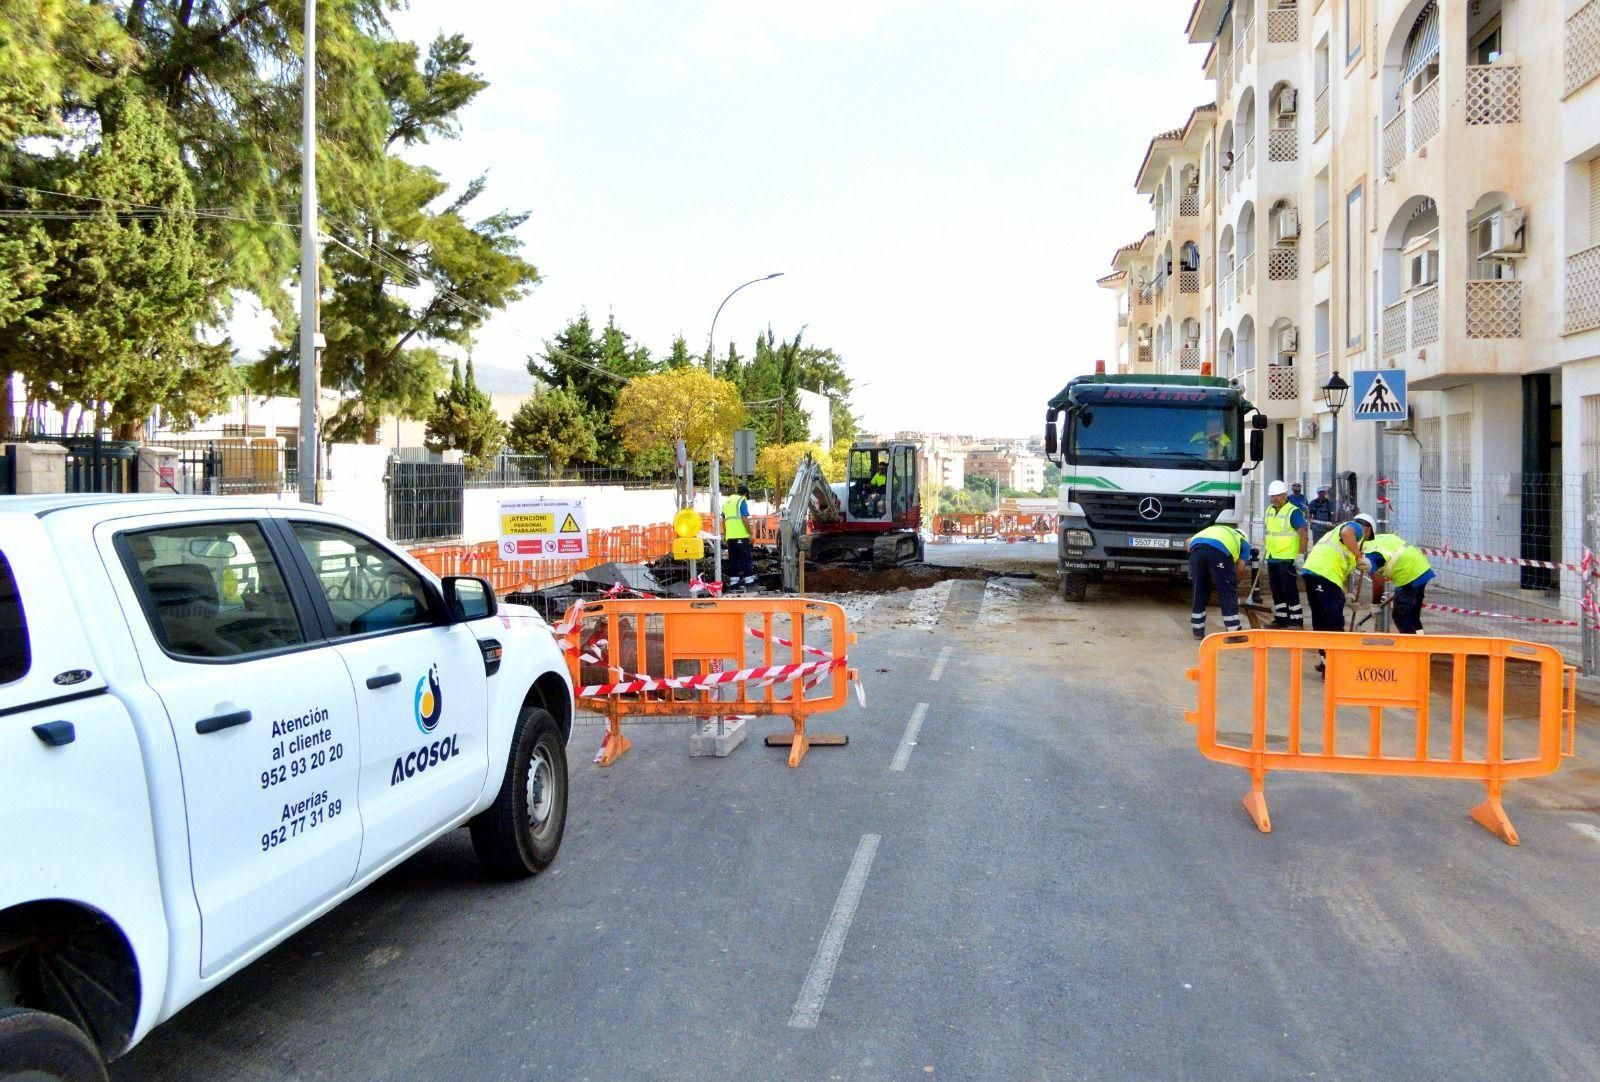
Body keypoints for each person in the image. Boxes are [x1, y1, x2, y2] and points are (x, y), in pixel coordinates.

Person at [1300, 513, 1376, 632]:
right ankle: (1333, 648)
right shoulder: (1357, 527)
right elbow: (1346, 532)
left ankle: (1323, 648)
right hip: (1323, 573)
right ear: (1369, 530)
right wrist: (1359, 555)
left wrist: (1346, 594)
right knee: (1332, 616)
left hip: (1312, 572)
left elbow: (1336, 577)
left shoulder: (1337, 537)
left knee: (1320, 613)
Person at [1187, 523, 1253, 639]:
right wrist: (1233, 583)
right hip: (1218, 552)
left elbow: (1188, 541)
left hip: (1196, 549)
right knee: (1227, 592)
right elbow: (1241, 569)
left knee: (1200, 590)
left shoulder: (1219, 530)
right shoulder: (1243, 542)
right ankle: (1233, 632)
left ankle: (1197, 631)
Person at [1362, 531, 1436, 633]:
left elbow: (1378, 584)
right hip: (1420, 567)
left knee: (1401, 616)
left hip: (1408, 574)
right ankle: (1419, 641)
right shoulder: (1376, 539)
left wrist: (1375, 604)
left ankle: (1410, 645)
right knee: (1412, 615)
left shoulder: (1366, 555)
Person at [1263, 480, 1310, 628]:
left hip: (1287, 558)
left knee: (1289, 589)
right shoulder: (1270, 510)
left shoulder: (1293, 511)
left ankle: (1296, 620)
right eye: (1272, 496)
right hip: (1272, 557)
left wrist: (1300, 555)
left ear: (1284, 495)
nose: (1274, 499)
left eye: (1277, 496)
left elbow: (1303, 533)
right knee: (1276, 589)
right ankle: (1281, 618)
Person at [722, 485, 756, 590]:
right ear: (746, 494)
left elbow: (724, 520)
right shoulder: (742, 500)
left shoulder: (727, 502)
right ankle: (749, 581)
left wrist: (725, 534)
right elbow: (744, 518)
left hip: (730, 536)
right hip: (741, 535)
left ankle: (734, 582)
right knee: (745, 558)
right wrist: (750, 533)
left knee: (733, 559)